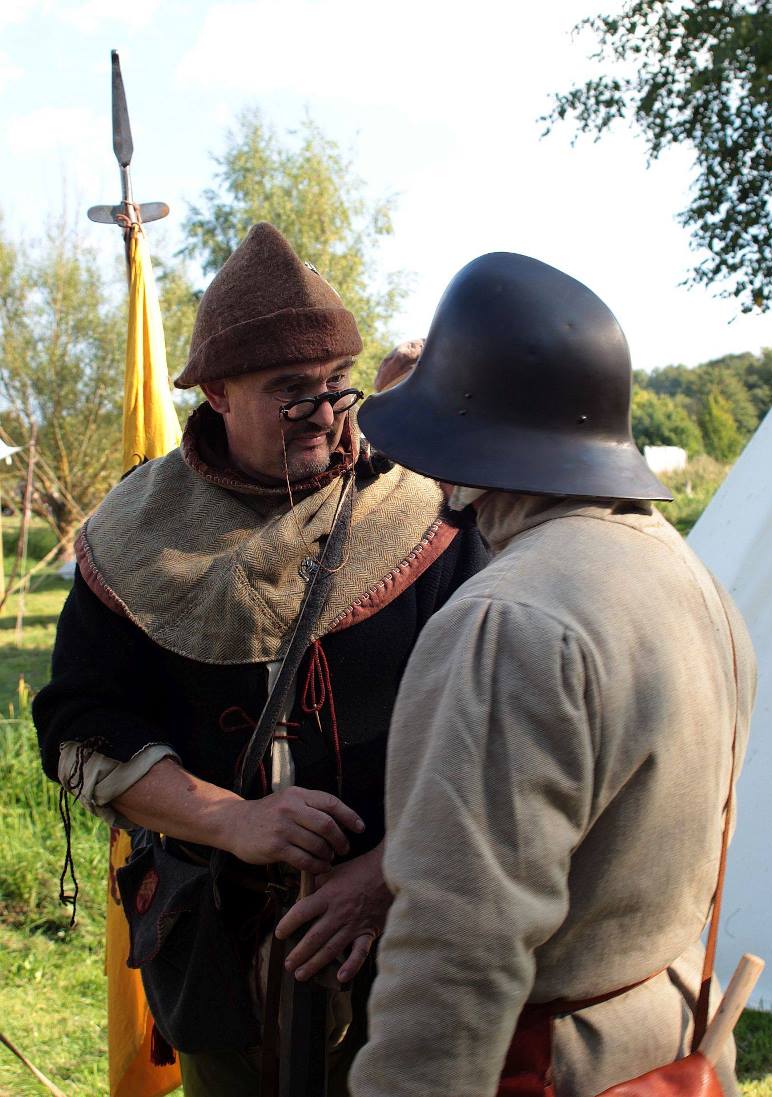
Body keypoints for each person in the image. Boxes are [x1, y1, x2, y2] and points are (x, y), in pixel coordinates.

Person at [33, 223, 488, 1096]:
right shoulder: (134, 533)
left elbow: (496, 732)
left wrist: (383, 875)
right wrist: (230, 820)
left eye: (335, 384)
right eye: (289, 390)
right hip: (217, 949)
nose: (323, 410)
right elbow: (81, 727)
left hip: (410, 945)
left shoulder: (425, 516)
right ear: (216, 391)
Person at [349, 251, 757, 1097]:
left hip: (556, 1065)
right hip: (668, 1033)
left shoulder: (504, 620)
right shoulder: (690, 577)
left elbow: (456, 945)